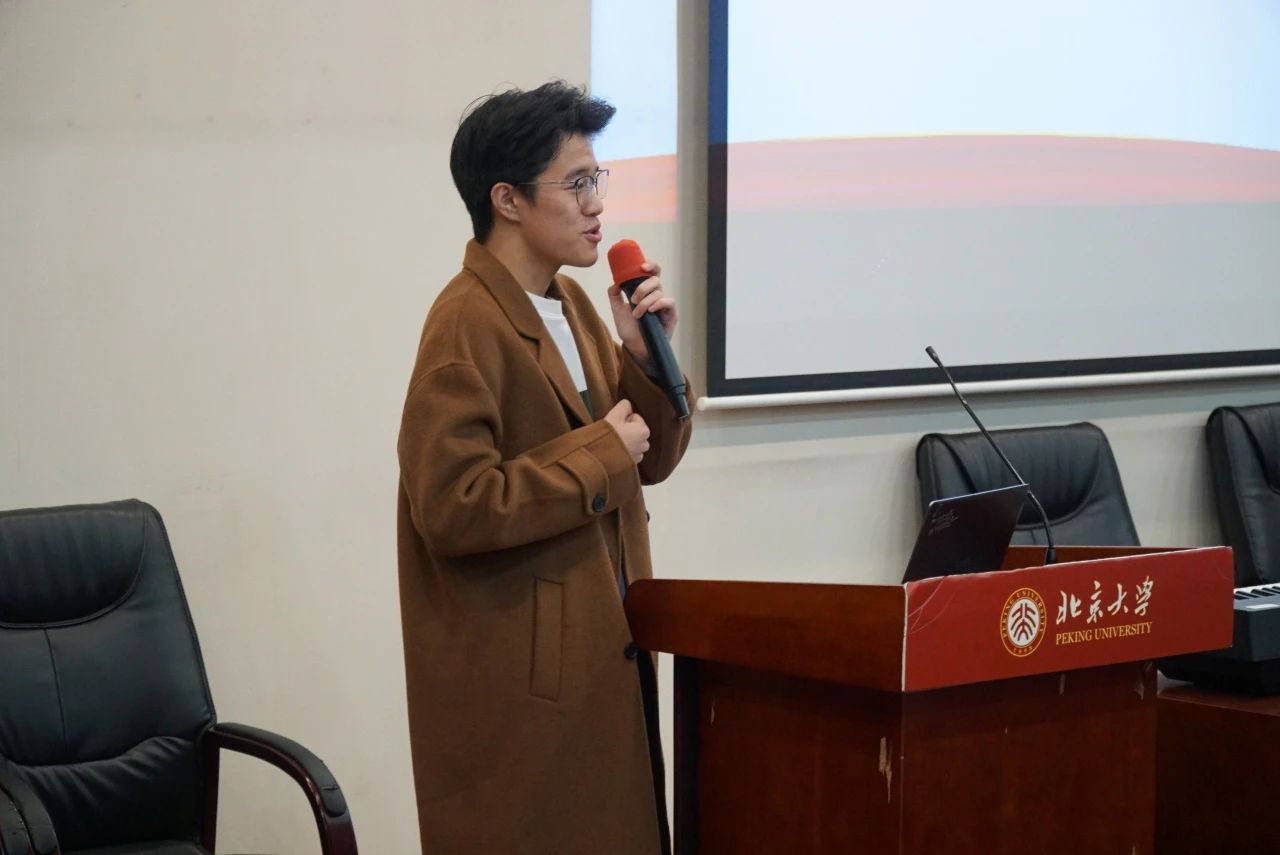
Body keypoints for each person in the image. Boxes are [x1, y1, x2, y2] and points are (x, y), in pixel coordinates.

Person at [396, 81, 693, 855]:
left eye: (599, 179)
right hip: (525, 686)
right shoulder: (464, 323)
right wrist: (599, 452)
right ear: (508, 200)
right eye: (577, 182)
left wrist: (645, 361)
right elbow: (453, 503)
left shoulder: (573, 305)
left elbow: (647, 459)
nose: (598, 203)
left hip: (604, 650)